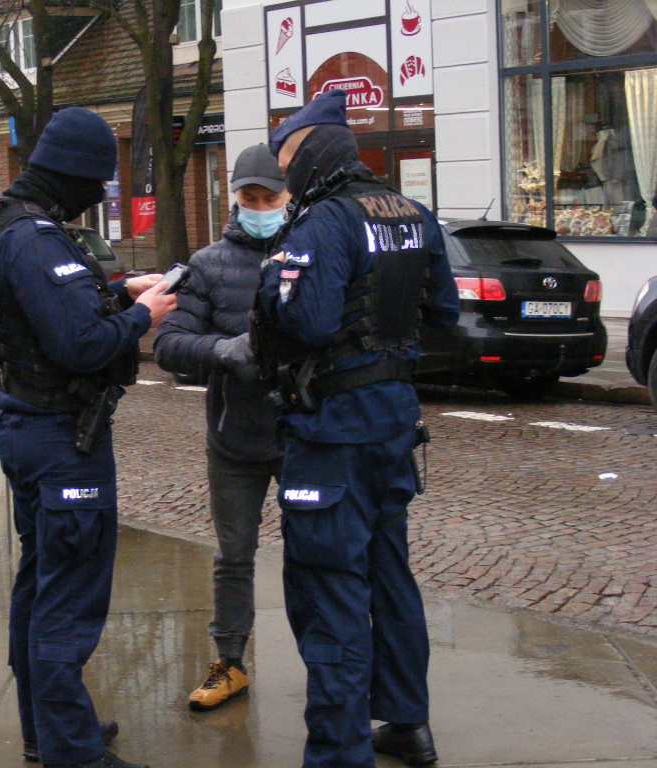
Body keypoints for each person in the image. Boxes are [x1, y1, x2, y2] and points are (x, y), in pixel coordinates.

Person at [255, 89, 460, 768]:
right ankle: (408, 721)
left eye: (288, 160)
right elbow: (445, 316)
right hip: (393, 423)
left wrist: (270, 290)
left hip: (333, 431)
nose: (284, 177)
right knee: (390, 573)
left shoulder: (324, 222)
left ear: (312, 153)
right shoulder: (413, 215)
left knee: (330, 588)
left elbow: (307, 322)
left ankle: (339, 754)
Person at [0, 107, 177, 768]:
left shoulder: (11, 226)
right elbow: (80, 343)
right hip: (63, 441)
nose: (99, 198)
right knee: (67, 604)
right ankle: (73, 753)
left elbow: (53, 314)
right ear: (71, 174)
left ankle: (48, 730)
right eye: (96, 183)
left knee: (39, 586)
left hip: (32, 427)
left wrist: (118, 291)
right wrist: (142, 315)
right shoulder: (35, 239)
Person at [152, 144, 288, 712]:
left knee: (315, 554)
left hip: (303, 433)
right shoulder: (207, 264)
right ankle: (229, 662)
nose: (259, 206)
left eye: (269, 197)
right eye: (249, 197)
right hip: (234, 437)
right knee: (234, 555)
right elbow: (167, 344)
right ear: (235, 199)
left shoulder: (311, 250)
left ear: (287, 199)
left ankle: (332, 664)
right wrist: (224, 350)